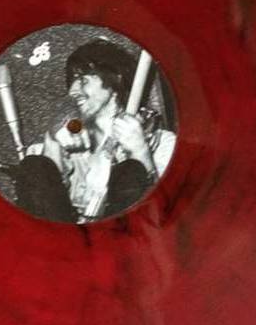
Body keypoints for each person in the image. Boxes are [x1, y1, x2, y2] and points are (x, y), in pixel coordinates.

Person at [14, 39, 176, 223]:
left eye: (83, 80)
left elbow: (167, 217)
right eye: (72, 82)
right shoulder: (67, 138)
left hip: (123, 237)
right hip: (60, 238)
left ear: (115, 79)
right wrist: (51, 142)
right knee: (35, 166)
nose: (73, 91)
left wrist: (140, 152)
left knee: (131, 172)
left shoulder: (163, 144)